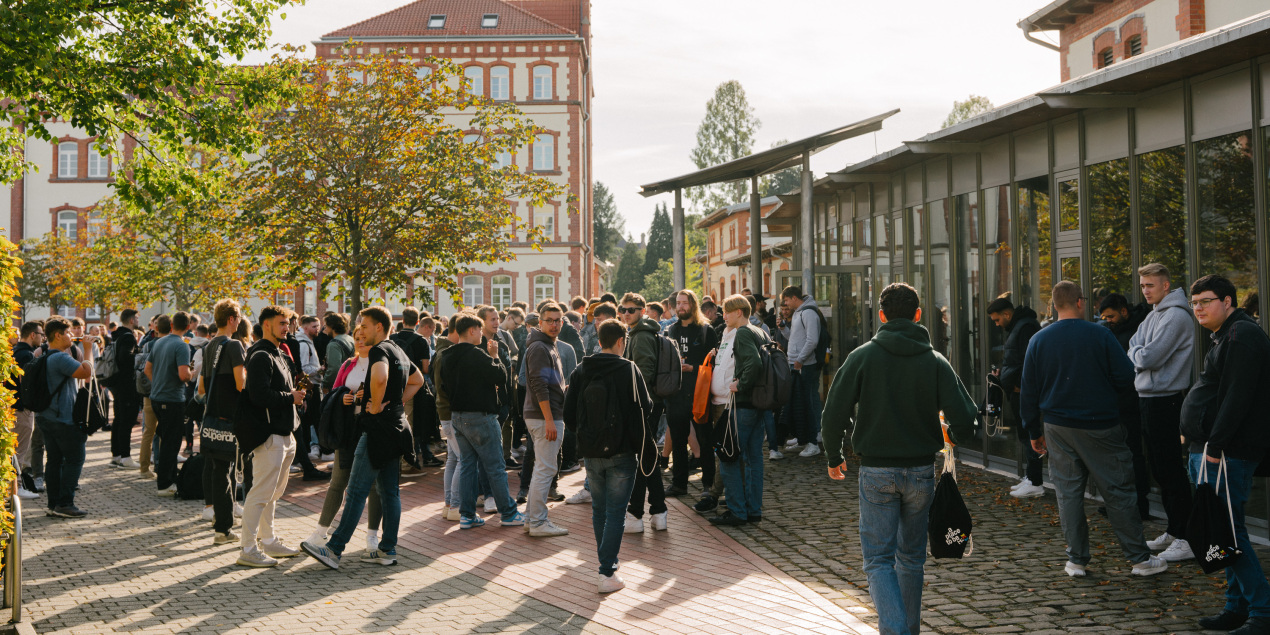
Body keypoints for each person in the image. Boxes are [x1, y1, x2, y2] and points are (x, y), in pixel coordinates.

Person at [822, 283, 977, 635]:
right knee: (911, 559)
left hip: (876, 470)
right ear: (918, 315)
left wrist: (834, 454)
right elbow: (967, 418)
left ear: (881, 316)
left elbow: (834, 413)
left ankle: (895, 630)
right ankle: (908, 629)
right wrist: (949, 436)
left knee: (878, 560)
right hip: (921, 470)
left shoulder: (862, 356)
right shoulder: (935, 360)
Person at [1021, 281, 1167, 579]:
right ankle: (1139, 559)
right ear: (1079, 302)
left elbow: (1028, 391)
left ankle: (1076, 560)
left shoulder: (1038, 340)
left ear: (1053, 304)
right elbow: (1126, 377)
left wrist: (1033, 432)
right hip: (1100, 424)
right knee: (1118, 491)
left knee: (1068, 494)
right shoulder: (1100, 334)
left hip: (1057, 426)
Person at [303, 307, 428, 569]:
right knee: (389, 492)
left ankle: (334, 549)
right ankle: (387, 550)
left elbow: (380, 377)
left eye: (365, 325)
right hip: (396, 427)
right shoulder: (400, 351)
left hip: (376, 429)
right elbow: (417, 380)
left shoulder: (381, 350)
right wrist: (396, 403)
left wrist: (376, 404)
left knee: (358, 491)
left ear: (380, 327)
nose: (360, 329)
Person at [1180, 275, 1270, 634]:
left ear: (1228, 301)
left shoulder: (1241, 336)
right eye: (1194, 302)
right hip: (1211, 451)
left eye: (1205, 300)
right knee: (1222, 534)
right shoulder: (1227, 335)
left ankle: (1263, 612)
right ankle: (1237, 607)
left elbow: (1237, 398)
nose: (1198, 308)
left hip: (1225, 454)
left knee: (1229, 536)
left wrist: (1215, 447)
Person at [564, 318, 654, 593]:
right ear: (620, 341)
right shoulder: (628, 368)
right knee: (616, 513)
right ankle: (606, 572)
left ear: (599, 339)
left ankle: (608, 566)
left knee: (599, 511)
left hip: (591, 452)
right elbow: (645, 407)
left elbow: (568, 414)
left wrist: (586, 436)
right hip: (622, 451)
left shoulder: (582, 369)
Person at [1127, 263, 1196, 562]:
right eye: (1142, 286)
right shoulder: (1153, 314)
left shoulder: (1177, 316)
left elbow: (1150, 355)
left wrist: (1139, 355)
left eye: (1150, 286)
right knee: (1159, 468)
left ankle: (1188, 536)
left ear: (1166, 286)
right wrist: (1139, 354)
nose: (1145, 291)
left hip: (1166, 400)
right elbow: (1134, 344)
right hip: (1148, 397)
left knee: (1170, 469)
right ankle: (1175, 528)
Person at [432, 312, 523, 531]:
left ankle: (467, 515)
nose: (482, 334)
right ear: (472, 330)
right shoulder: (478, 354)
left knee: (468, 466)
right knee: (495, 466)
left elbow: (442, 387)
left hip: (458, 416)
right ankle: (508, 513)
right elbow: (500, 377)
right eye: (480, 329)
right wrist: (494, 357)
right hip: (481, 416)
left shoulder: (446, 355)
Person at [236, 305, 306, 568]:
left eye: (287, 322)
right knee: (260, 493)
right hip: (269, 435)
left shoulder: (279, 354)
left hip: (285, 433)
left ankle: (268, 540)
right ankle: (248, 548)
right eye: (281, 323)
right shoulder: (261, 356)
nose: (286, 327)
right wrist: (291, 397)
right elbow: (258, 395)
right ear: (266, 324)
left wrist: (296, 398)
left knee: (272, 493)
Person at [709, 295, 773, 526]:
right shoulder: (760, 331)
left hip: (744, 403)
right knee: (754, 458)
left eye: (727, 311)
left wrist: (740, 383)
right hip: (758, 405)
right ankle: (753, 510)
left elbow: (754, 364)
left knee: (729, 457)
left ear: (739, 312)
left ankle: (737, 511)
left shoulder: (744, 332)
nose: (723, 315)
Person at [662, 291, 720, 507]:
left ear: (693, 305)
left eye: (685, 303)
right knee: (678, 440)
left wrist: (693, 368)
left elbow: (715, 363)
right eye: (678, 303)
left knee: (705, 441)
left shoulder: (706, 331)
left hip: (699, 393)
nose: (681, 307)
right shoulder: (671, 330)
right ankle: (679, 483)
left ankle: (707, 485)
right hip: (675, 394)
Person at [617, 292, 670, 532]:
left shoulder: (641, 336)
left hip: (645, 404)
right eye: (623, 309)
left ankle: (635, 513)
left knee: (641, 458)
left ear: (642, 310)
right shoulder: (638, 333)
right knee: (647, 456)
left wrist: (636, 404)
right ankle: (658, 511)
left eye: (631, 309)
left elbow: (644, 374)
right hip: (646, 403)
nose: (626, 313)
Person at [198, 300, 248, 544]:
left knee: (219, 472)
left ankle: (222, 526)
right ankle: (224, 527)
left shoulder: (209, 347)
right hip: (231, 417)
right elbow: (241, 384)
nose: (238, 322)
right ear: (231, 319)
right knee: (230, 471)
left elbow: (201, 387)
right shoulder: (235, 345)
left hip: (212, 417)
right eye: (238, 318)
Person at [1098, 293, 1152, 519]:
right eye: (1104, 317)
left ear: (1123, 311)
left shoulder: (1136, 331)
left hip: (1132, 401)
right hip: (1117, 402)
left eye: (1110, 316)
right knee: (1119, 457)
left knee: (1133, 456)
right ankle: (1124, 503)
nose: (1107, 320)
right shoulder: (1111, 331)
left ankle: (1139, 505)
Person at [36, 316, 94, 518]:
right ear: (58, 335)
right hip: (63, 419)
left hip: (46, 416)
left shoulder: (42, 356)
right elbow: (86, 373)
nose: (72, 336)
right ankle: (66, 503)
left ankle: (54, 504)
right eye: (68, 332)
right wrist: (87, 349)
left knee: (54, 460)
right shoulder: (60, 357)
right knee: (75, 458)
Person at [987, 297, 1044, 498]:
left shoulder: (1025, 327)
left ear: (1007, 314)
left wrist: (1018, 384)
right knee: (1025, 434)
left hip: (1023, 391)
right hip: (1018, 389)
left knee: (1030, 435)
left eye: (997, 320)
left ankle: (1036, 481)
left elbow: (1029, 361)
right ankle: (1031, 477)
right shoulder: (1019, 327)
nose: (997, 324)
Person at [522, 302, 569, 537]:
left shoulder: (546, 345)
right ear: (539, 322)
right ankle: (538, 522)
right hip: (544, 417)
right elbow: (539, 385)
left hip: (544, 415)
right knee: (545, 469)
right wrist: (550, 419)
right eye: (549, 320)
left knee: (542, 468)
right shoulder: (540, 347)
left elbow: (547, 383)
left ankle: (532, 520)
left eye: (558, 320)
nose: (554, 324)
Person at [144, 313, 192, 496]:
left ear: (171, 324)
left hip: (157, 397)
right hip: (172, 399)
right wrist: (192, 374)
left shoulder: (159, 342)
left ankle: (169, 477)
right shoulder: (182, 346)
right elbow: (183, 375)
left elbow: (147, 369)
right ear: (188, 327)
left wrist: (158, 382)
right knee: (171, 443)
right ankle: (165, 484)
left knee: (167, 440)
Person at [781, 285, 824, 458]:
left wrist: (799, 360)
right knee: (800, 403)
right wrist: (784, 329)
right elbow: (795, 338)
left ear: (793, 298)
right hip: (797, 364)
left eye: (786, 300)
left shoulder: (808, 313)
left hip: (805, 366)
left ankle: (813, 441)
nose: (785, 304)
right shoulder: (800, 312)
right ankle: (804, 439)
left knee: (807, 403)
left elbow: (812, 340)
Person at [11, 321, 43, 498]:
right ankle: (17, 488)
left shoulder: (15, 351)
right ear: (33, 335)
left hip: (13, 407)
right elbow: (27, 385)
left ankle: (15, 487)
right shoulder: (27, 356)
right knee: (19, 452)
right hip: (22, 409)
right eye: (41, 334)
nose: (42, 338)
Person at [109, 309, 142, 470]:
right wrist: (138, 355)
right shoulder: (128, 337)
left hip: (115, 383)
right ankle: (126, 457)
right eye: (136, 317)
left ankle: (116, 455)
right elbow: (125, 358)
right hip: (126, 384)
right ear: (131, 320)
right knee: (126, 421)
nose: (138, 320)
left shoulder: (116, 335)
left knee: (118, 419)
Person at [321, 313, 355, 396]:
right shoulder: (351, 339)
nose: (325, 328)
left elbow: (334, 368)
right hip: (351, 382)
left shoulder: (333, 344)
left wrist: (325, 384)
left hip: (338, 387)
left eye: (326, 326)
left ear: (332, 327)